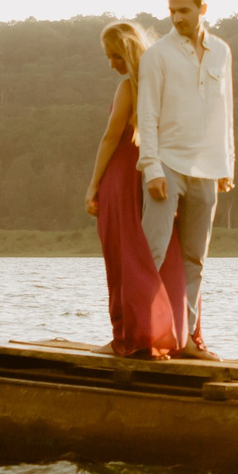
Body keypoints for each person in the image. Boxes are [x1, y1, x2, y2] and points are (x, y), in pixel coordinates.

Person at [136, 0, 234, 356]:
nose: (176, 17)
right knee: (153, 254)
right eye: (171, 10)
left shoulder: (221, 52)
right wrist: (152, 168)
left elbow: (226, 111)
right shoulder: (157, 55)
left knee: (195, 259)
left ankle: (187, 340)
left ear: (202, 9)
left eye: (184, 10)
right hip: (167, 163)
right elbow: (148, 115)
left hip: (208, 168)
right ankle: (140, 337)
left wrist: (227, 161)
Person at [84, 21, 185, 356]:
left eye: (114, 56)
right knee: (156, 253)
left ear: (127, 52)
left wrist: (93, 185)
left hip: (123, 177)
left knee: (122, 253)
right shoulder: (163, 84)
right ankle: (160, 333)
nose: (111, 64)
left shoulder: (130, 87)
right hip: (157, 175)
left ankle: (126, 335)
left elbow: (110, 138)